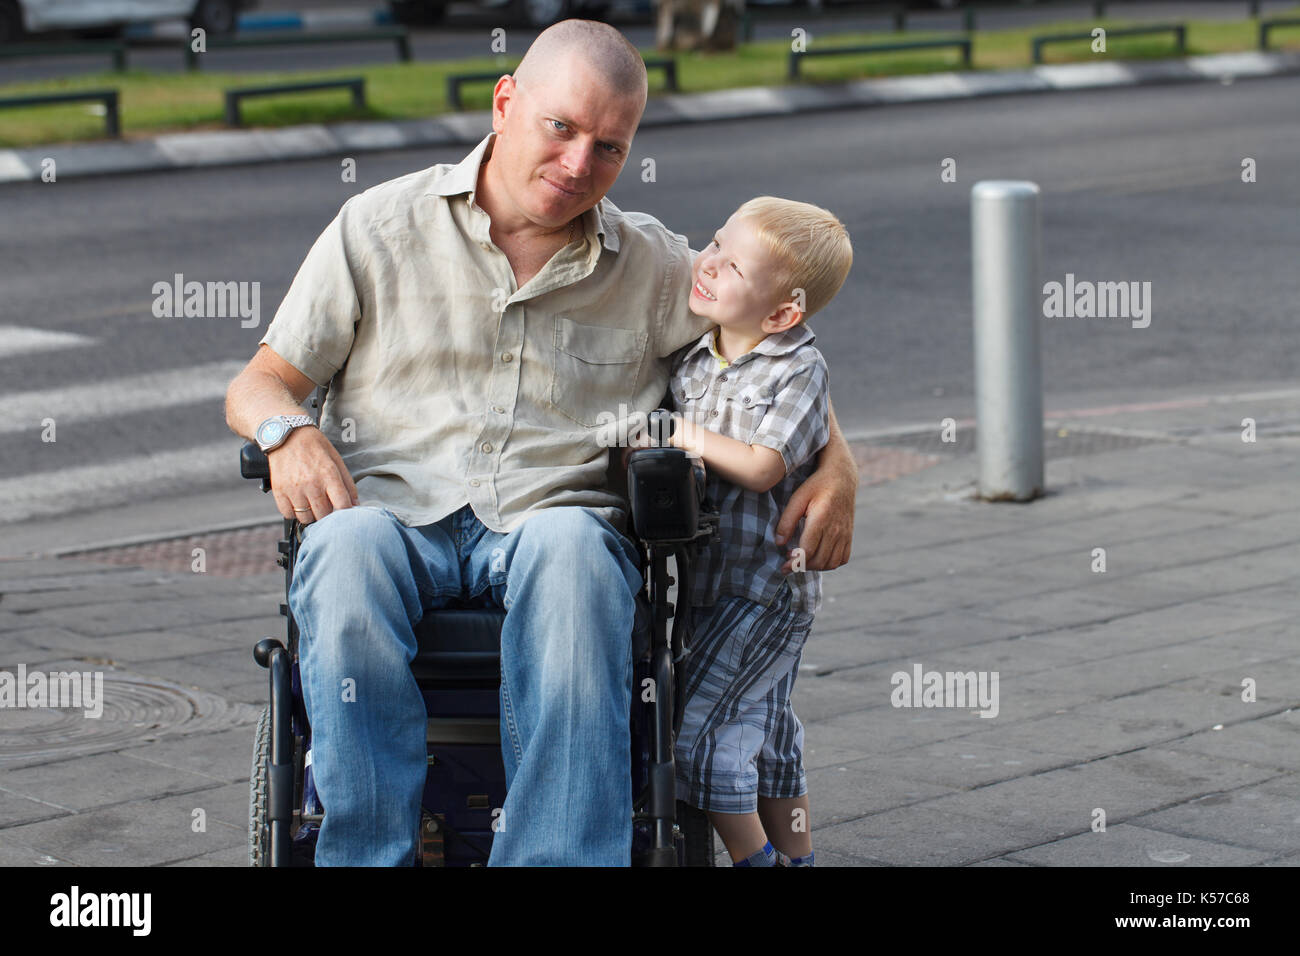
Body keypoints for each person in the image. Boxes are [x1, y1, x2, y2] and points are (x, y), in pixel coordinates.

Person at [223, 19, 858, 866]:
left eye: (608, 148)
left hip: (552, 522)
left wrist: (838, 463)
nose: (577, 166)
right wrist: (287, 432)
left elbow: (774, 349)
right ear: (506, 102)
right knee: (343, 549)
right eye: (561, 128)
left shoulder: (656, 266)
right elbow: (259, 382)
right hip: (392, 513)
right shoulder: (377, 226)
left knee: (574, 552)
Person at [660, 196, 852, 867]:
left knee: (698, 738)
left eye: (731, 265)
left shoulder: (797, 369)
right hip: (711, 585)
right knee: (766, 731)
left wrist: (682, 433)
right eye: (713, 243)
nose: (706, 264)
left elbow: (765, 467)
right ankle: (797, 856)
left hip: (764, 591)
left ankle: (754, 858)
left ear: (780, 315)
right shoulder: (696, 354)